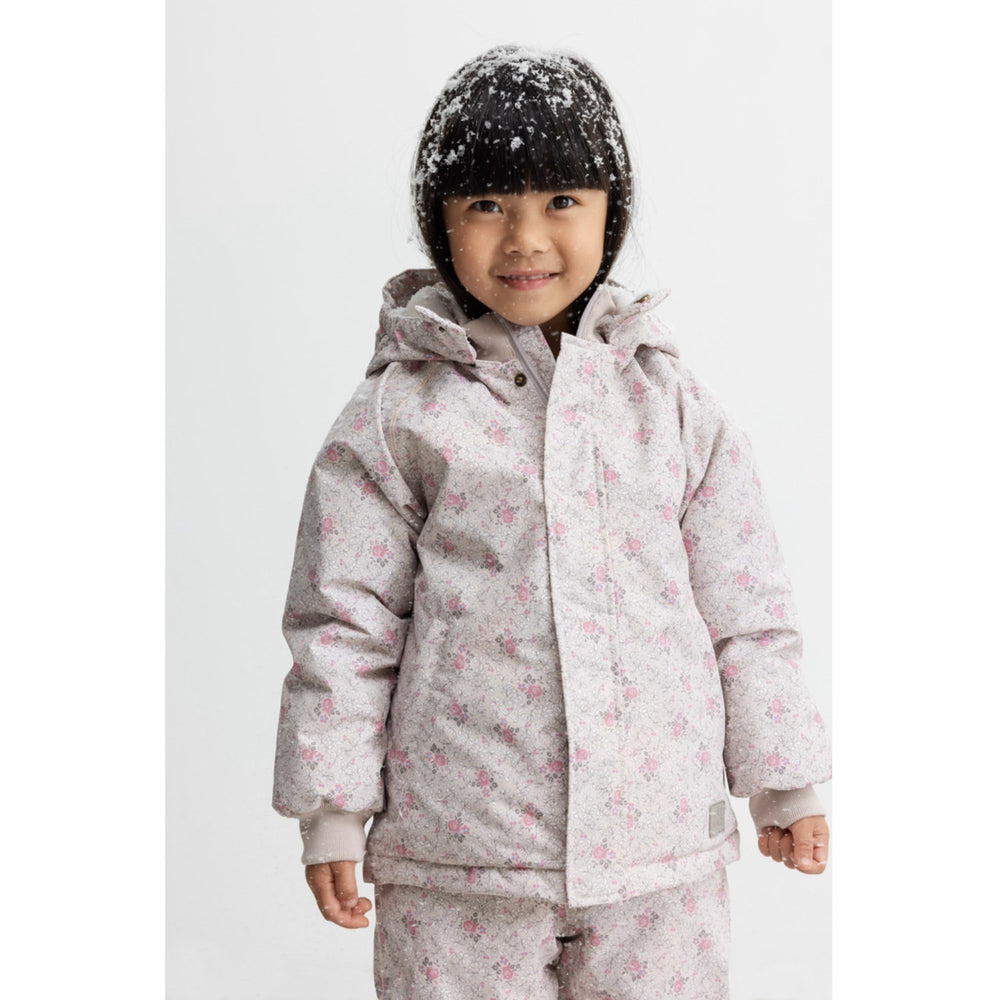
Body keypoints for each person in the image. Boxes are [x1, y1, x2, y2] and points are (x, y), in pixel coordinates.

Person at [272, 45, 831, 1000]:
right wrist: (331, 807)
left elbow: (745, 604)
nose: (526, 238)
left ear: (611, 213)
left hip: (657, 853)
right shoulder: (399, 415)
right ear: (440, 222)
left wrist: (784, 776)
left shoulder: (670, 406)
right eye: (489, 205)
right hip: (461, 856)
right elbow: (343, 621)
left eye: (561, 201)